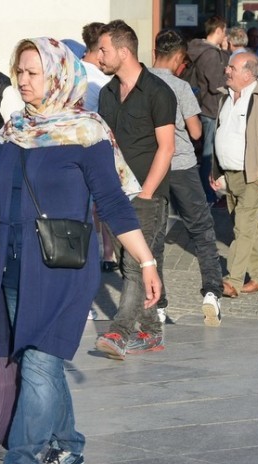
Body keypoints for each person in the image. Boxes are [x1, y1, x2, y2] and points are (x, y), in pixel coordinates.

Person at [0, 36, 160, 464]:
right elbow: (0, 207)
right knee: (41, 362)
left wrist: (147, 260)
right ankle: (69, 445)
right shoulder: (15, 130)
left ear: (57, 74)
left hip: (63, 267)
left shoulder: (87, 132)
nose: (25, 81)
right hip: (16, 266)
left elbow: (113, 202)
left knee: (38, 360)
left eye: (34, 73)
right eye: (21, 72)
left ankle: (20, 460)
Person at [96, 19, 176, 357]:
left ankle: (119, 331)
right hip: (115, 194)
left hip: (148, 194)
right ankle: (152, 331)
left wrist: (146, 194)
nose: (98, 56)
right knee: (138, 262)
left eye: (103, 50)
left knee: (132, 265)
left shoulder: (159, 92)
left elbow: (167, 147)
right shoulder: (107, 93)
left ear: (124, 52)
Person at [150, 29, 223, 326]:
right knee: (201, 229)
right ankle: (211, 293)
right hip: (181, 165)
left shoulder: (139, 84)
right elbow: (195, 132)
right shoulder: (179, 87)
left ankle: (158, 303)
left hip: (151, 168)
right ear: (179, 57)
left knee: (154, 236)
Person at [210, 52, 258, 297]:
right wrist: (216, 169)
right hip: (230, 174)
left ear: (247, 73)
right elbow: (219, 135)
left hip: (253, 174)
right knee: (250, 227)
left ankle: (232, 279)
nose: (226, 71)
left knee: (243, 227)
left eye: (232, 67)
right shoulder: (225, 98)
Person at [80, 21, 117, 274]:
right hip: (96, 144)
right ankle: (108, 252)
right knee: (102, 202)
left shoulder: (72, 72)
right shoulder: (102, 81)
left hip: (71, 145)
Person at [187, 15, 230, 202]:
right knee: (209, 154)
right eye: (224, 32)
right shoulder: (211, 54)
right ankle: (208, 193)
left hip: (204, 106)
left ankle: (207, 191)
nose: (225, 36)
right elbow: (215, 84)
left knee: (207, 153)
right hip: (211, 108)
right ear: (218, 30)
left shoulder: (200, 50)